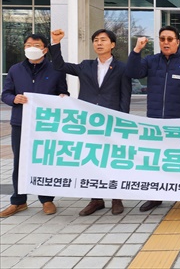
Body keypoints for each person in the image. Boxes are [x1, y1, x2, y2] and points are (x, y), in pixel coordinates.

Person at [49, 28, 132, 216]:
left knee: (112, 160)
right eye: (95, 40)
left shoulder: (122, 68)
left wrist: (122, 119)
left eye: (103, 40)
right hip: (88, 121)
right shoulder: (85, 66)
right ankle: (96, 200)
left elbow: (125, 95)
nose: (99, 43)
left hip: (112, 121)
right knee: (91, 159)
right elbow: (59, 66)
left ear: (112, 44)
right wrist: (55, 42)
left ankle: (116, 199)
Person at [126, 25, 180, 212]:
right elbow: (132, 72)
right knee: (156, 161)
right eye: (162, 39)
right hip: (154, 122)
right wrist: (137, 50)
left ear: (178, 41)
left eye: (170, 39)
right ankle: (156, 196)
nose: (166, 42)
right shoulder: (151, 61)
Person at [0, 34, 69, 218]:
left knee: (44, 161)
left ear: (45, 49)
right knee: (19, 162)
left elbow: (63, 92)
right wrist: (13, 99)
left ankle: (46, 199)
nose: (31, 47)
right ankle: (18, 201)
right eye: (28, 44)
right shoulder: (15, 70)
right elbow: (5, 93)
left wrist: (62, 98)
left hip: (45, 125)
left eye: (36, 44)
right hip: (20, 123)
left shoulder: (56, 69)